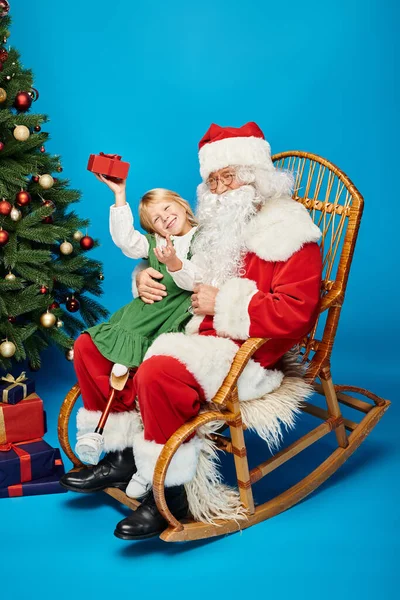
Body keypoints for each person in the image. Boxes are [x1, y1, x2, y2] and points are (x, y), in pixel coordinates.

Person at [60, 122, 323, 541]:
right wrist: (144, 275)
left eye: (229, 176)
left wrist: (223, 304)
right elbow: (173, 260)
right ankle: (125, 454)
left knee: (157, 371)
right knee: (91, 348)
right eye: (213, 179)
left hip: (246, 350)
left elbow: (295, 314)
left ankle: (172, 491)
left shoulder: (288, 231)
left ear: (255, 176)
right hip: (186, 325)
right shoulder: (216, 225)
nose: (219, 188)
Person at [84, 178, 204, 377]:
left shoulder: (202, 237)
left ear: (182, 205)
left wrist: (173, 261)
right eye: (156, 219)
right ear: (154, 230)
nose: (165, 218)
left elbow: (196, 280)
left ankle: (134, 363)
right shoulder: (156, 243)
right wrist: (120, 194)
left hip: (177, 309)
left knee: (159, 345)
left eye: (167, 208)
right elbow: (126, 240)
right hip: (153, 305)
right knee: (130, 319)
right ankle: (125, 359)